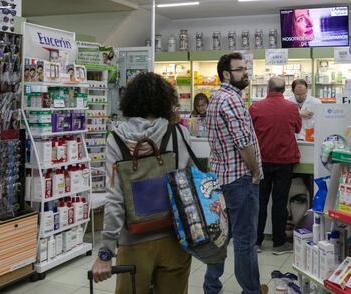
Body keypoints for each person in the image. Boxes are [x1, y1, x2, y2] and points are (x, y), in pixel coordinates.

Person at [92, 72, 192, 294]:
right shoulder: (179, 133)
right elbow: (188, 185)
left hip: (134, 240)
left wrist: (106, 251)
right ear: (166, 100)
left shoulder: (117, 139)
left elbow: (115, 198)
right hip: (175, 238)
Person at [205, 52, 266, 294]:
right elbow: (243, 143)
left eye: (245, 69)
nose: (245, 73)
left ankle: (211, 286)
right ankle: (251, 290)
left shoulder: (216, 98)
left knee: (221, 237)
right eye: (240, 69)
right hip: (240, 179)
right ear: (227, 74)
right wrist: (255, 170)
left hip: (221, 178)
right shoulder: (231, 100)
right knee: (245, 241)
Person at [249, 76, 302, 255]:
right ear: (285, 88)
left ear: (267, 88)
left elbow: (249, 132)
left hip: (261, 161)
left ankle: (256, 242)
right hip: (284, 161)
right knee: (280, 202)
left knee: (260, 201)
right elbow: (297, 129)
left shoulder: (255, 107)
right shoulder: (292, 107)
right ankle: (279, 243)